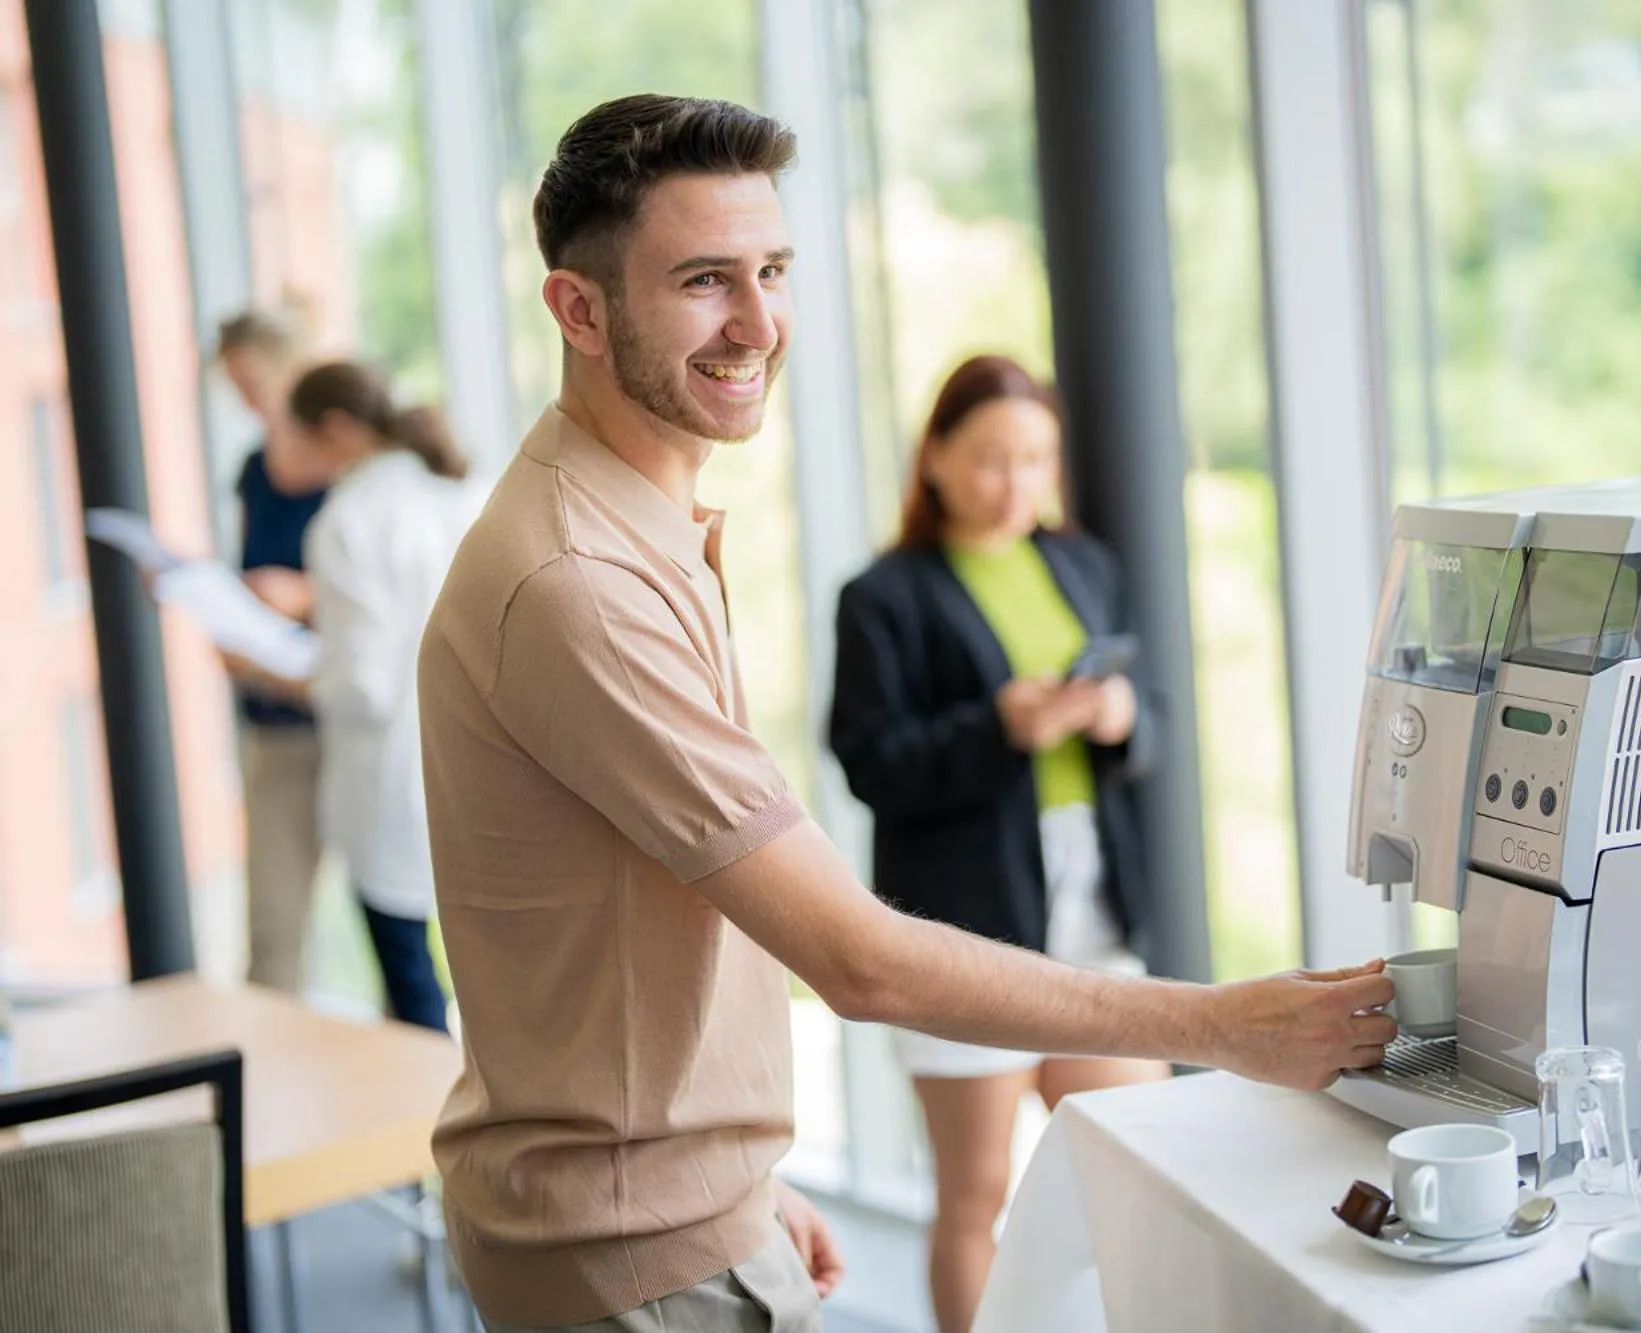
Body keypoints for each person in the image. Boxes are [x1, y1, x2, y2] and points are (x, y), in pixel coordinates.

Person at [417, 94, 1395, 1333]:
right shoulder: (580, 583)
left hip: (668, 1217)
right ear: (579, 310)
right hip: (635, 1260)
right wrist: (1223, 1022)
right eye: (705, 281)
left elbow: (647, 916)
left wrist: (735, 1187)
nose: (760, 323)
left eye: (771, 270)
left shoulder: (634, 528)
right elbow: (858, 958)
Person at [827, 353, 1168, 1333]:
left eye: (1034, 459)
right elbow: (868, 761)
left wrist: (1117, 716)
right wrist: (998, 728)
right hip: (960, 926)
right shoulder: (882, 595)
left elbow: (1155, 721)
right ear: (932, 456)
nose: (1014, 482)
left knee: (1134, 1171)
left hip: (1088, 903)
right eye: (988, 458)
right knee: (976, 1196)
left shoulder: (1082, 565)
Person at [232, 361, 480, 1032]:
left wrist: (273, 671)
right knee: (486, 975)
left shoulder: (348, 522)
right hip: (476, 764)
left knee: (410, 982)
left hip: (391, 779)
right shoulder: (461, 493)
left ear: (336, 431)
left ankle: (424, 1129)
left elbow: (363, 686)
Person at [215, 309, 336, 994]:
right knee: (273, 933)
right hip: (274, 722)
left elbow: (402, 591)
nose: (249, 401)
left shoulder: (353, 470)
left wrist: (304, 594)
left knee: (394, 926)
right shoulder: (255, 473)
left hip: (349, 719)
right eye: (235, 387)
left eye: (254, 381)